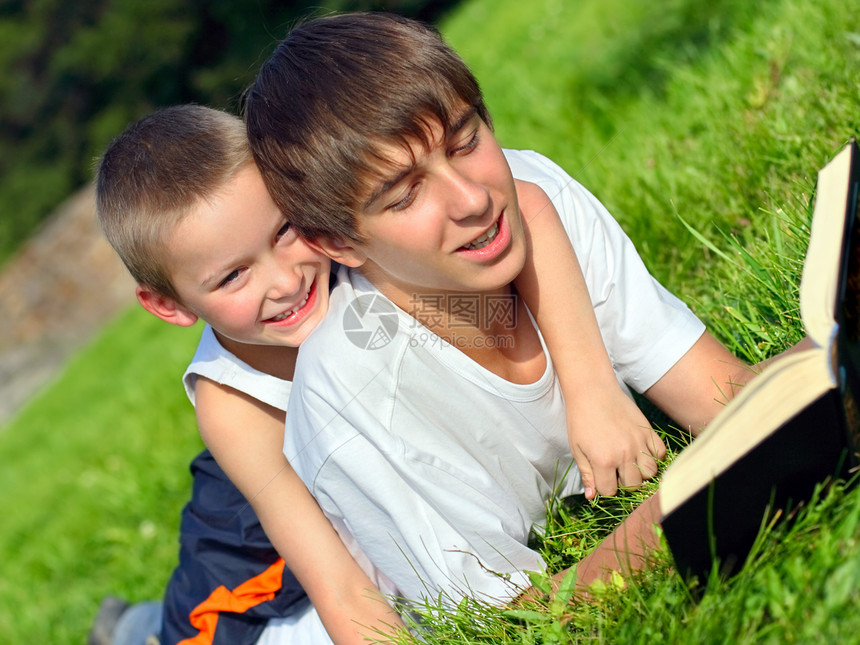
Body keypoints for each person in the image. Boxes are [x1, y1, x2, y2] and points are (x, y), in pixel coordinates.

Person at [243, 11, 760, 609]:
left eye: (466, 143)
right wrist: (693, 498)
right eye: (406, 195)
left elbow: (720, 393)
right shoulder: (354, 391)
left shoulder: (535, 194)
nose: (472, 198)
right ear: (339, 244)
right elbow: (520, 622)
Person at [92, 99, 652, 642]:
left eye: (284, 230)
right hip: (256, 553)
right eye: (233, 276)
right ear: (170, 305)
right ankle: (130, 629)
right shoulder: (233, 407)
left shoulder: (351, 244)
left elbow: (526, 212)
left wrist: (589, 390)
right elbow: (338, 586)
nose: (286, 281)